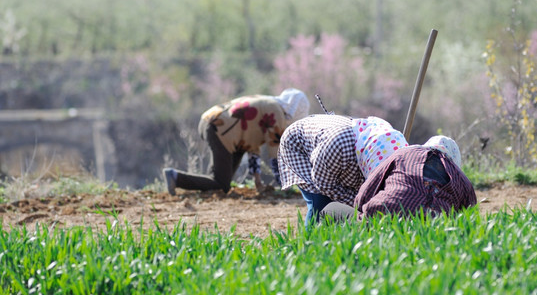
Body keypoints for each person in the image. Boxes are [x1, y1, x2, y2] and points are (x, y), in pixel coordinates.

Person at [164, 88, 310, 195]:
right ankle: (176, 177)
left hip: (215, 124)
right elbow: (276, 152)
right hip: (219, 129)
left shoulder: (267, 102)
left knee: (220, 182)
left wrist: (257, 180)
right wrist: (286, 186)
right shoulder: (276, 110)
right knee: (221, 184)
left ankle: (199, 186)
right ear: (294, 111)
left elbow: (253, 146)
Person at [277, 114, 407, 226]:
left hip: (337, 155)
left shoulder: (392, 149)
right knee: (320, 203)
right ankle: (310, 243)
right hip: (300, 147)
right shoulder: (338, 148)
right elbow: (325, 185)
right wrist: (360, 204)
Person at [319, 135, 477, 222]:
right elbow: (466, 218)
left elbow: (365, 194)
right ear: (455, 162)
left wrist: (361, 210)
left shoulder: (404, 153)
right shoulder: (463, 180)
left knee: (329, 210)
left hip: (379, 217)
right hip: (432, 225)